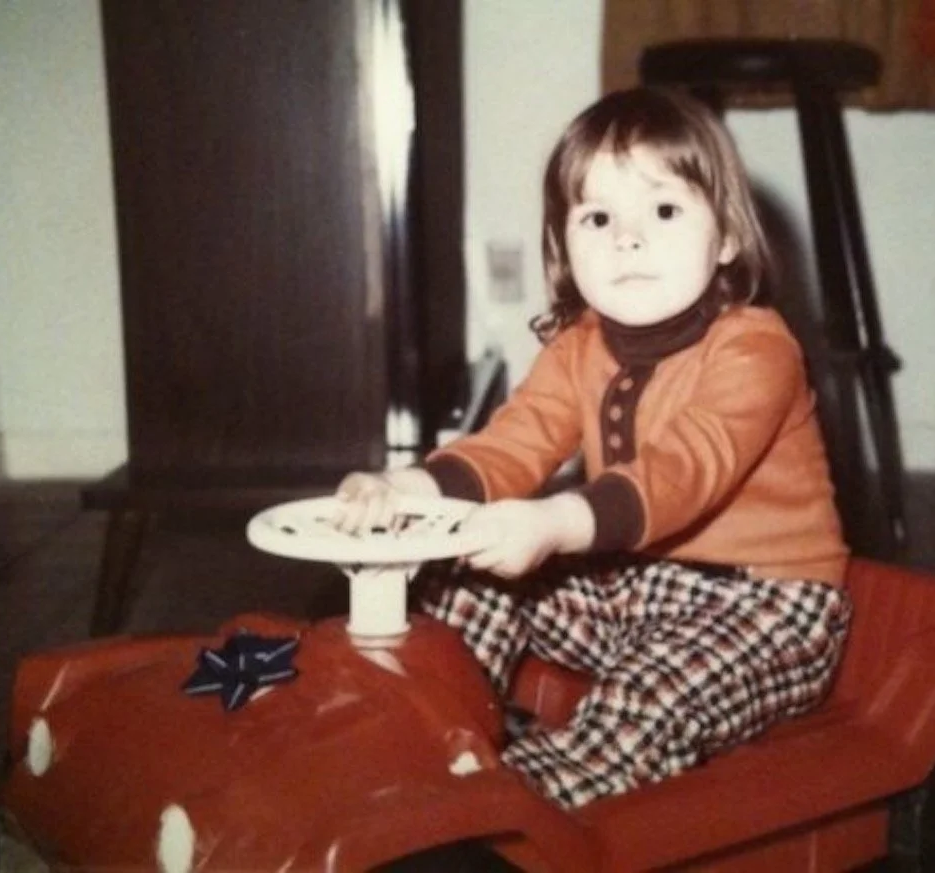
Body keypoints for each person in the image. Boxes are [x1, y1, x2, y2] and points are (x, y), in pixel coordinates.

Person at [335, 87, 851, 809]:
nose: (626, 239)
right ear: (564, 245)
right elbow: (516, 439)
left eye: (664, 211)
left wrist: (552, 523)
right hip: (635, 584)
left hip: (768, 601)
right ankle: (415, 732)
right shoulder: (579, 347)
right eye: (598, 216)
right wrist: (408, 490)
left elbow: (685, 469)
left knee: (651, 694)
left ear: (727, 236)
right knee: (464, 581)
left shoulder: (757, 347)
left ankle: (508, 813)